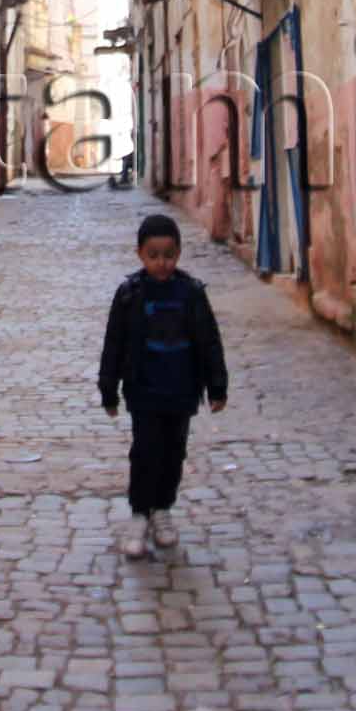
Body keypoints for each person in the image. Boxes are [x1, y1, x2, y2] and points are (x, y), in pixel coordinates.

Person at [97, 212, 229, 558]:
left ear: (179, 254)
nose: (162, 263)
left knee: (173, 454)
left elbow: (209, 341)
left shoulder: (191, 294)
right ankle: (140, 514)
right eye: (153, 255)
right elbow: (114, 345)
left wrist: (217, 386)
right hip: (144, 392)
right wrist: (108, 390)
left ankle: (163, 510)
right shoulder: (129, 295)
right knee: (145, 453)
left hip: (182, 392)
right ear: (140, 254)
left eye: (168, 255)